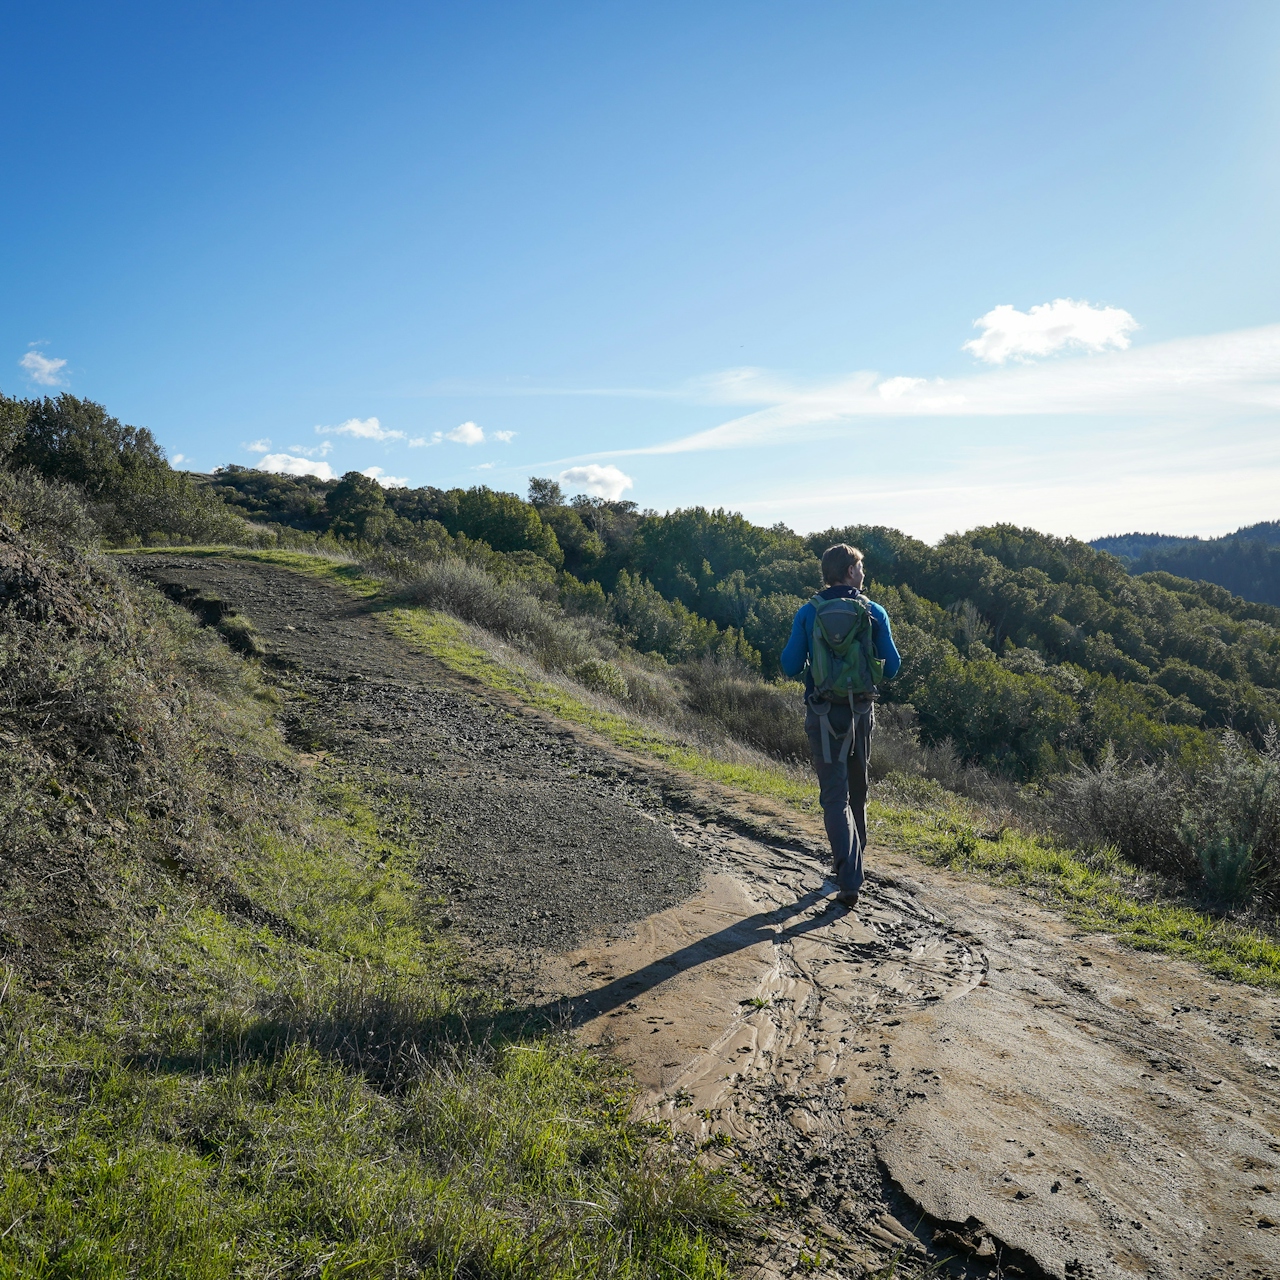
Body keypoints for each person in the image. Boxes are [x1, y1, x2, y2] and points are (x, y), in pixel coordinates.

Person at [780, 543, 901, 907]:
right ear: (849, 571)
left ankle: (849, 875)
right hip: (861, 713)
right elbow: (892, 666)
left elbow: (788, 665)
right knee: (858, 790)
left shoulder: (808, 612)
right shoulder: (873, 611)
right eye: (861, 567)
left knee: (835, 796)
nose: (864, 574)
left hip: (822, 714)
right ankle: (855, 864)